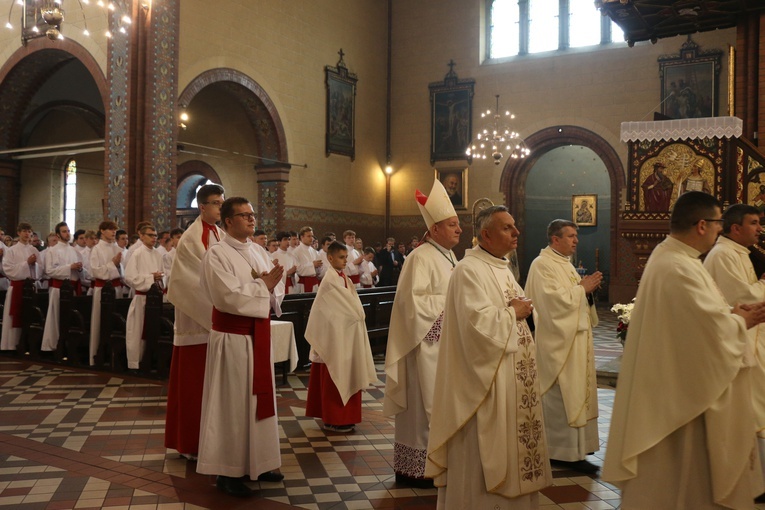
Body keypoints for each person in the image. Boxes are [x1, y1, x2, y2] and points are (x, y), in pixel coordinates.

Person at [603, 191, 765, 508]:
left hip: (674, 388)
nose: (721, 230)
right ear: (702, 225)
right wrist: (739, 323)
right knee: (683, 484)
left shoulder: (675, 259)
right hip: (680, 401)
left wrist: (731, 315)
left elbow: (698, 321)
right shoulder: (677, 267)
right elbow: (708, 332)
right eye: (719, 223)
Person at [426, 205, 552, 508]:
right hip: (485, 388)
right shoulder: (469, 270)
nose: (516, 232)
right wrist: (513, 312)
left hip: (511, 383)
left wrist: (520, 310)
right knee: (482, 462)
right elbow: (475, 328)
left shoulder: (500, 266)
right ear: (486, 234)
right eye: (507, 227)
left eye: (513, 226)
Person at [197, 197, 285, 497]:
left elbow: (275, 289)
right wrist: (263, 287)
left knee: (258, 402)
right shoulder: (216, 254)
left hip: (257, 336)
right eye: (244, 215)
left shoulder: (259, 251)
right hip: (232, 339)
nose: (251, 219)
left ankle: (259, 463)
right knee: (233, 405)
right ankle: (228, 471)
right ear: (228, 221)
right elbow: (226, 297)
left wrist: (271, 288)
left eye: (252, 214)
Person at [384, 178, 462, 487]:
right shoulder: (419, 257)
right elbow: (412, 303)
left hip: (444, 346)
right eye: (453, 224)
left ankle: (437, 464)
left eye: (458, 224)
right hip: (424, 346)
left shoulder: (450, 257)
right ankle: (415, 470)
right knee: (422, 409)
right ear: (435, 229)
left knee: (440, 407)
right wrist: (454, 305)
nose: (458, 229)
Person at [524, 219, 602, 474]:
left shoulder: (564, 264)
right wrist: (582, 289)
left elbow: (573, 294)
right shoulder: (542, 264)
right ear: (555, 239)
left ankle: (579, 449)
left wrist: (586, 292)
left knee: (579, 391)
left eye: (576, 236)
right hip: (557, 342)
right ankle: (561, 451)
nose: (576, 240)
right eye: (570, 236)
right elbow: (549, 303)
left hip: (576, 341)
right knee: (561, 394)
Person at [703, 203, 765, 496]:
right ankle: (751, 479)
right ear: (735, 228)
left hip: (752, 337)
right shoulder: (724, 254)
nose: (759, 228)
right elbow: (745, 297)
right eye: (754, 223)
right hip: (738, 341)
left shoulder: (740, 253)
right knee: (752, 410)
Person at [165, 184, 226, 461]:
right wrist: (225, 303)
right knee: (193, 384)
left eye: (222, 203)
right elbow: (193, 281)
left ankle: (212, 440)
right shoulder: (192, 238)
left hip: (214, 318)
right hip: (197, 321)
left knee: (213, 385)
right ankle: (190, 442)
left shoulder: (219, 233)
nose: (220, 208)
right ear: (202, 206)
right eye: (216, 203)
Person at [304, 241, 377, 433]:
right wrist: (354, 316)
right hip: (334, 339)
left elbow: (352, 307)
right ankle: (334, 418)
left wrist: (357, 317)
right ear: (330, 258)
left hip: (346, 336)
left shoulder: (344, 277)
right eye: (341, 257)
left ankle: (346, 417)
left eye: (346, 257)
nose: (345, 261)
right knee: (335, 378)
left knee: (348, 373)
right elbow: (330, 311)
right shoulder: (329, 280)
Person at [41, 222, 87, 353]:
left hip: (72, 288)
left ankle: (70, 345)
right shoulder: (52, 251)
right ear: (58, 234)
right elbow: (50, 271)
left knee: (71, 317)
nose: (67, 233)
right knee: (57, 317)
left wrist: (80, 269)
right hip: (59, 289)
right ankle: (54, 345)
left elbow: (82, 272)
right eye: (64, 231)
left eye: (68, 231)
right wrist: (69, 267)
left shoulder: (75, 251)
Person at [124, 225, 164, 370]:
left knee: (152, 330)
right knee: (137, 331)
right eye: (151, 235)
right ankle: (136, 362)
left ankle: (151, 359)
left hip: (155, 299)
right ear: (141, 236)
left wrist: (160, 278)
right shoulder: (137, 254)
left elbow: (163, 275)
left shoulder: (158, 255)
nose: (154, 238)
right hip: (141, 299)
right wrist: (150, 278)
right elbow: (129, 278)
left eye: (155, 235)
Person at [88, 221, 122, 365]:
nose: (113, 232)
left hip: (117, 288)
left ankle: (115, 354)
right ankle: (98, 353)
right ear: (102, 231)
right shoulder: (96, 249)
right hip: (102, 290)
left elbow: (123, 271)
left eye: (115, 229)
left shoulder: (117, 248)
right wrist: (112, 264)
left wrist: (118, 266)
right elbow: (95, 271)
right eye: (110, 229)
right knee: (100, 321)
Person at [1, 222, 39, 351]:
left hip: (30, 287)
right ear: (18, 233)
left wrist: (35, 266)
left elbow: (41, 270)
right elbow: (8, 270)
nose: (27, 234)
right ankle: (12, 344)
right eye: (24, 231)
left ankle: (28, 343)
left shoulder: (34, 250)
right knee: (15, 316)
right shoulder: (12, 250)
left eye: (29, 231)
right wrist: (26, 263)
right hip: (17, 286)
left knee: (29, 315)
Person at [293, 226, 322, 292]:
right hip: (303, 283)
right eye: (309, 236)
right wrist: (312, 265)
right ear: (302, 237)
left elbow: (319, 271)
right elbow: (298, 269)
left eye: (312, 236)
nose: (311, 238)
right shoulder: (296, 252)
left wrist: (319, 267)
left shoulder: (315, 251)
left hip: (314, 282)